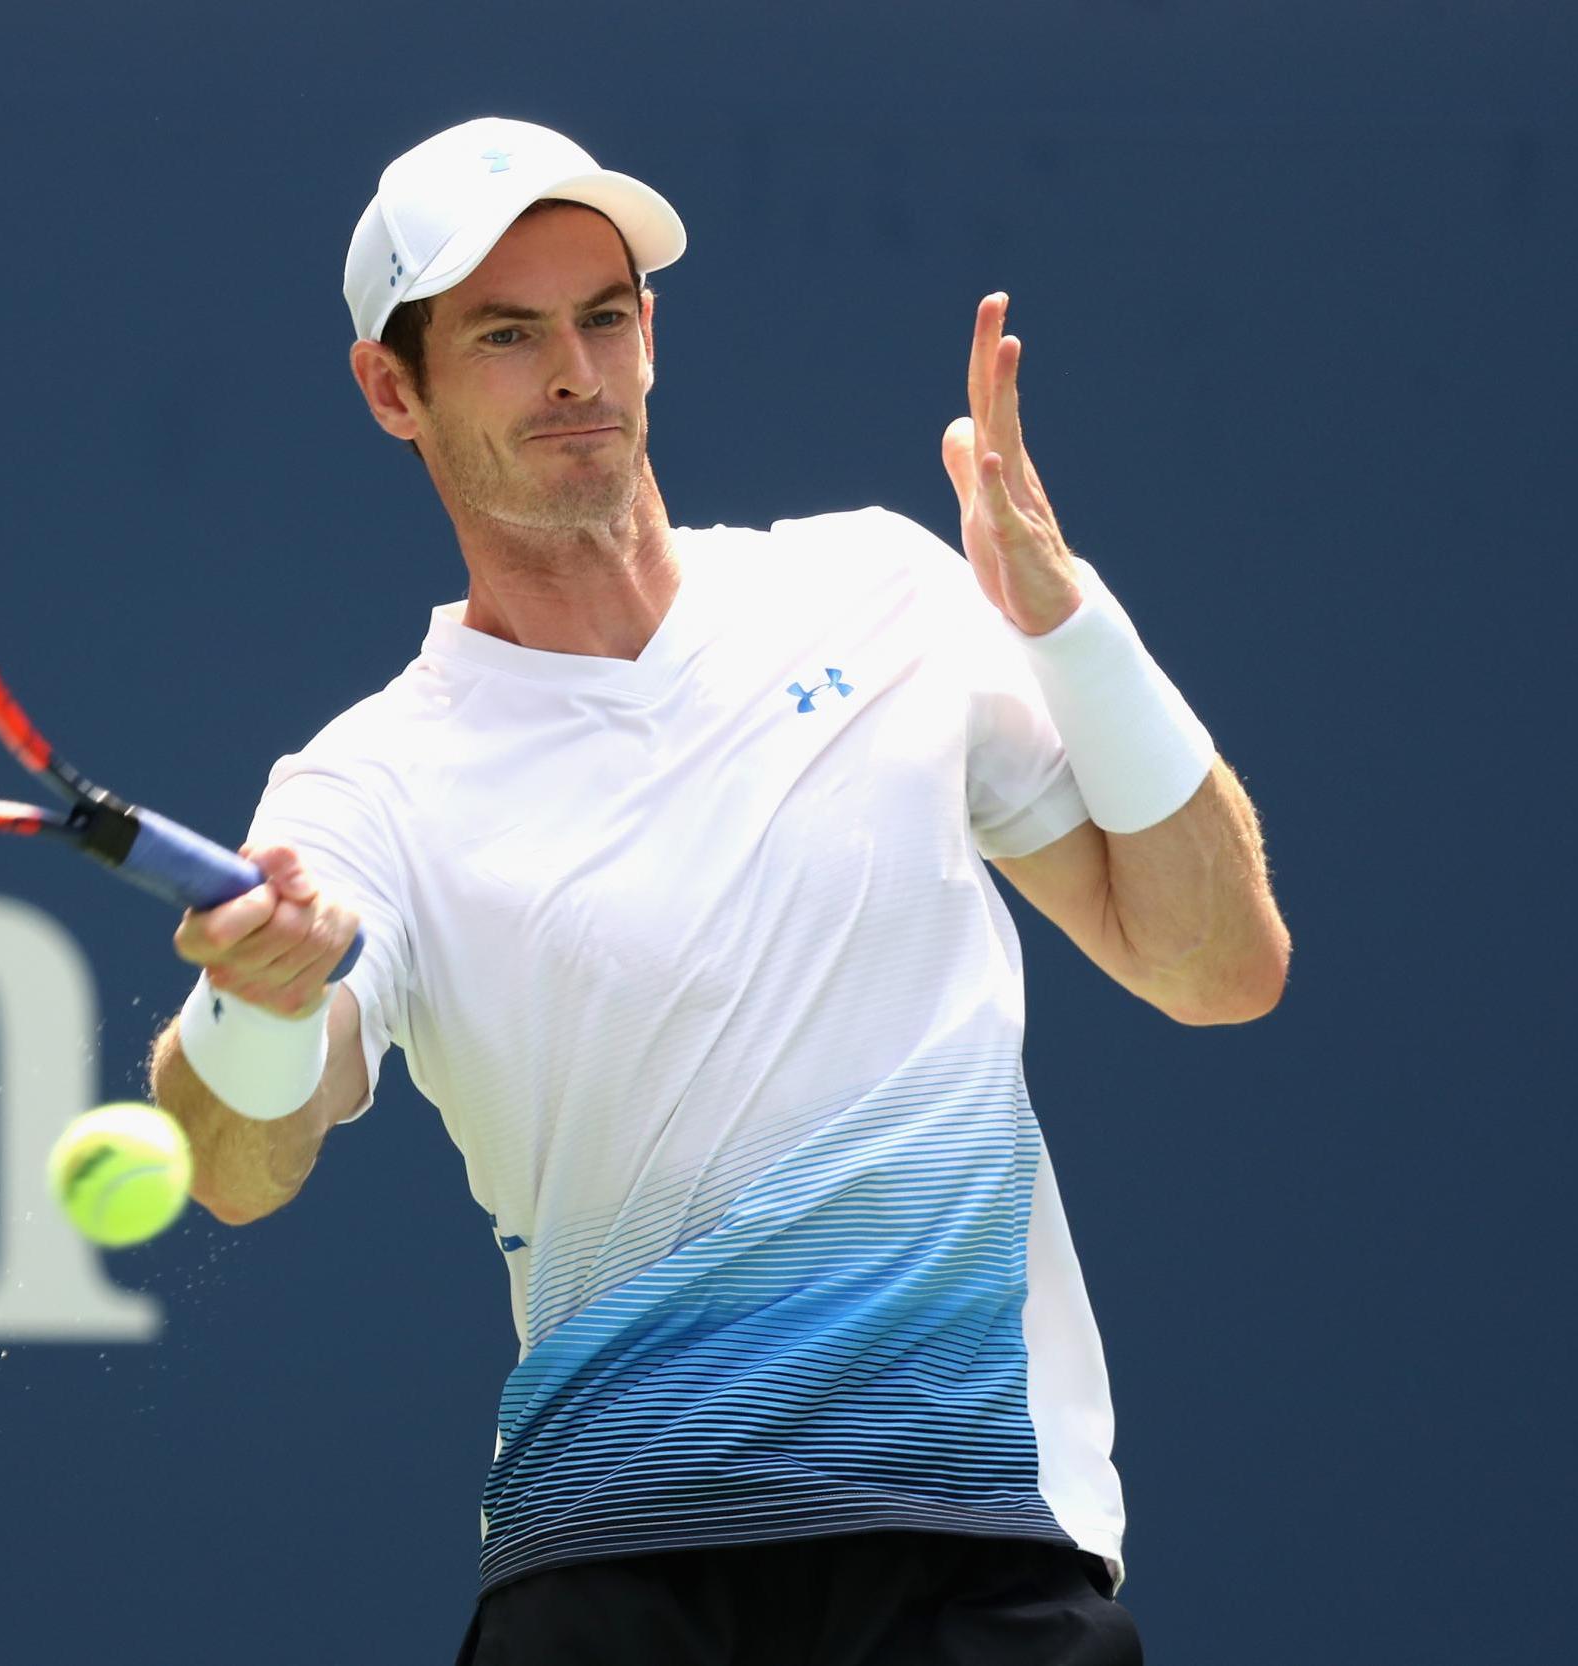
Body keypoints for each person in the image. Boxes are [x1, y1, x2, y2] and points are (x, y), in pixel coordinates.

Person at [148, 116, 1289, 1666]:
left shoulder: (883, 591)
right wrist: (255, 1002)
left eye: (603, 317)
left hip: (975, 1552)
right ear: (389, 388)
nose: (575, 372)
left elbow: (1215, 965)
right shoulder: (363, 788)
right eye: (505, 335)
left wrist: (1070, 622)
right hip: (614, 1569)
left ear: (649, 334)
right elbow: (234, 1163)